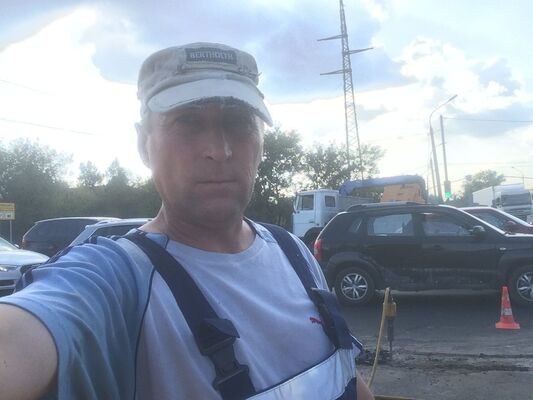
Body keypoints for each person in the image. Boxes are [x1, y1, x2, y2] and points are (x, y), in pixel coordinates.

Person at [0, 42, 373, 400]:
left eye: (238, 122)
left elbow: (346, 379)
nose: (219, 150)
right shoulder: (117, 279)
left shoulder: (295, 254)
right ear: (143, 144)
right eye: (188, 122)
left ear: (261, 142)